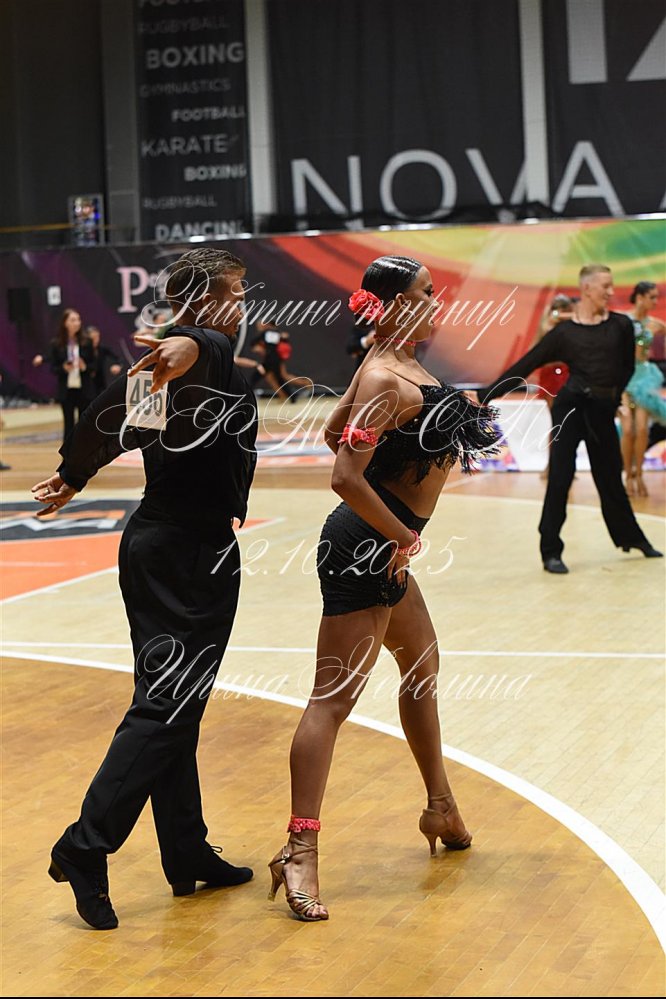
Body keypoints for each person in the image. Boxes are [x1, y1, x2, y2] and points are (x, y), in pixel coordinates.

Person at [267, 255, 501, 922]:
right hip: (366, 550)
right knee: (331, 703)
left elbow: (333, 432)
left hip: (383, 546)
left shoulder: (391, 362)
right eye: (426, 293)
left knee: (422, 667)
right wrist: (403, 536)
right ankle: (299, 850)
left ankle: (441, 807)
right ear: (396, 303)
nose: (436, 302)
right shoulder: (381, 374)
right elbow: (344, 475)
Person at [32, 248, 258, 930]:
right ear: (204, 301)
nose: (243, 304)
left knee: (173, 708)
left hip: (160, 544)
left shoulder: (175, 361)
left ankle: (185, 848)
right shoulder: (203, 349)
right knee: (167, 706)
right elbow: (194, 348)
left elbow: (119, 418)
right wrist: (191, 342)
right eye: (235, 292)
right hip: (186, 552)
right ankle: (85, 845)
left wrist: (75, 472)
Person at [477, 264, 662, 573]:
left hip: (601, 411)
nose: (611, 291)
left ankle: (632, 538)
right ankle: (550, 550)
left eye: (611, 285)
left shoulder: (620, 326)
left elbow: (626, 368)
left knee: (610, 479)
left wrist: (612, 399)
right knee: (560, 478)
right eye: (605, 286)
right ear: (587, 288)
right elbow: (526, 364)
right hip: (571, 410)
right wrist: (485, 395)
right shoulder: (564, 334)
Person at [620, 282, 666, 497]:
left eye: (657, 297)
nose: (655, 302)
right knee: (627, 429)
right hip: (624, 377)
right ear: (639, 297)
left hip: (644, 378)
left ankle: (638, 474)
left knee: (642, 429)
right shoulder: (623, 321)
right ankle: (627, 474)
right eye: (651, 297)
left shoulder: (655, 324)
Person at [530, 294, 576, 479]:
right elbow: (536, 352)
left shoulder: (571, 325)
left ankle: (564, 465)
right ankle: (553, 465)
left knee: (568, 423)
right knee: (557, 422)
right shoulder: (547, 326)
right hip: (552, 376)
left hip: (567, 373)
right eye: (559, 308)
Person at [48, 309, 95, 443]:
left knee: (84, 423)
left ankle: (83, 452)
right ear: (65, 323)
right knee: (68, 424)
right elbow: (53, 368)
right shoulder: (57, 344)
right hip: (66, 389)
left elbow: (94, 366)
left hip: (84, 388)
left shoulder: (87, 342)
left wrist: (84, 367)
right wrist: (63, 368)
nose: (77, 323)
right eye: (73, 320)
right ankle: (68, 453)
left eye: (78, 319)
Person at [84, 325, 123, 398]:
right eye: (93, 338)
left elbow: (117, 357)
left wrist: (117, 365)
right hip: (86, 384)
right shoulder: (82, 350)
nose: (96, 340)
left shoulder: (102, 348)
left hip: (100, 384)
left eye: (97, 337)